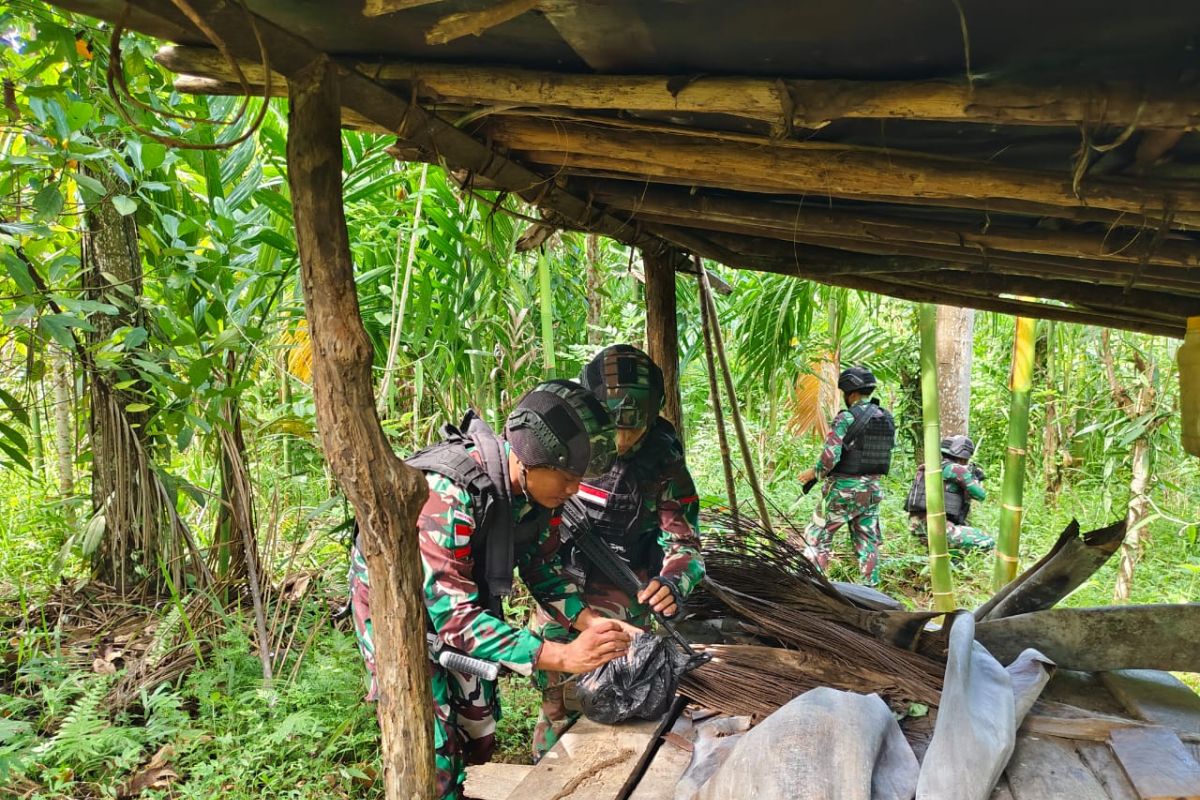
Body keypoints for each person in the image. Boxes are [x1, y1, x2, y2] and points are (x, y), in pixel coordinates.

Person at [348, 379, 634, 800]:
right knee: (433, 748)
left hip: (463, 602)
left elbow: (541, 569)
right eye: (568, 477)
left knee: (478, 729)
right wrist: (560, 655)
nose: (575, 489)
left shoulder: (538, 497)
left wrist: (593, 624)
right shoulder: (447, 493)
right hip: (399, 612)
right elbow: (454, 619)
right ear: (528, 460)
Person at [530, 344, 704, 760]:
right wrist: (570, 612)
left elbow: (687, 544)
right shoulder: (558, 444)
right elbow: (530, 546)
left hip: (625, 608)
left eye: (635, 429)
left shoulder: (663, 463)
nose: (622, 441)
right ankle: (546, 766)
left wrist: (672, 581)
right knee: (555, 709)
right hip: (558, 596)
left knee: (624, 718)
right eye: (613, 429)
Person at [797, 366, 896, 585]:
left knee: (818, 537)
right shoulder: (886, 418)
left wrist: (815, 473)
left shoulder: (847, 418)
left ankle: (812, 587)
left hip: (844, 490)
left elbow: (830, 457)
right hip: (873, 490)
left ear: (850, 394)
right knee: (867, 541)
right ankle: (872, 591)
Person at [905, 434, 995, 552]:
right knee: (986, 540)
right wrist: (975, 478)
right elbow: (980, 495)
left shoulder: (931, 467)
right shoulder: (956, 469)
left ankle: (953, 564)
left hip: (917, 528)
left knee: (958, 547)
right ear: (964, 455)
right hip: (938, 529)